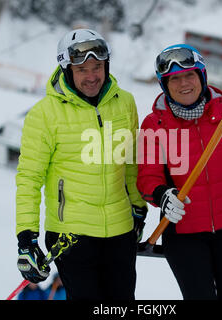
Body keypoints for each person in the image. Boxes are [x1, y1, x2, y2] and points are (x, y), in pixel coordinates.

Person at [15, 28, 147, 300]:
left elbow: (131, 161)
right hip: (71, 234)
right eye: (82, 69)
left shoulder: (125, 103)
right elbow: (29, 178)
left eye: (97, 67)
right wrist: (26, 238)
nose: (92, 77)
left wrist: (137, 206)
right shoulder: (44, 114)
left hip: (120, 230)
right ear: (67, 70)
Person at [136, 44, 222, 300]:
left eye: (190, 75)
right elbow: (147, 176)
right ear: (164, 85)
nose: (183, 83)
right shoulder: (155, 123)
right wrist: (162, 195)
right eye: (173, 79)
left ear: (202, 76)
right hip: (184, 236)